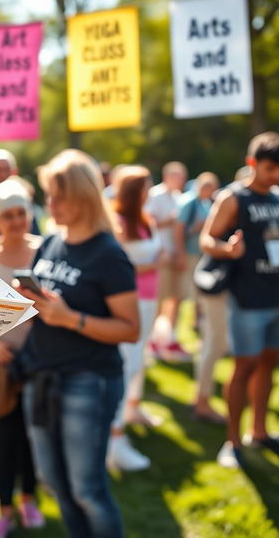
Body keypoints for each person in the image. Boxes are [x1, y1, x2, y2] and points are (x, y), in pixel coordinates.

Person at [17, 150, 139, 538]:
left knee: (88, 490)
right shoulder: (50, 242)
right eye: (48, 194)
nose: (49, 204)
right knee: (55, 483)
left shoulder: (108, 254)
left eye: (58, 196)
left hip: (88, 381)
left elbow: (130, 329)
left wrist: (72, 319)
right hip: (41, 374)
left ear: (84, 195)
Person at [200, 132, 279, 468]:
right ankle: (232, 441)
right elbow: (206, 239)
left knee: (269, 364)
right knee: (243, 366)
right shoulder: (234, 198)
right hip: (246, 298)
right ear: (252, 164)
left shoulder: (277, 198)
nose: (275, 175)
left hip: (275, 295)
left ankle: (258, 431)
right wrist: (227, 249)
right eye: (269, 168)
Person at [0, 179, 44, 538]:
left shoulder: (46, 249)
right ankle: (4, 510)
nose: (16, 221)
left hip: (41, 360)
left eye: (21, 213)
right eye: (8, 216)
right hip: (2, 363)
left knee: (35, 434)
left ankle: (30, 499)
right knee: (7, 437)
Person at [108, 165, 164, 472]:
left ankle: (132, 408)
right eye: (145, 186)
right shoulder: (117, 224)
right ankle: (115, 436)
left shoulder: (146, 220)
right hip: (130, 302)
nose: (150, 191)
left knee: (139, 358)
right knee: (127, 361)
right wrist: (153, 264)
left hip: (149, 298)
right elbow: (120, 269)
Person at [176, 172, 228, 424]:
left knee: (215, 340)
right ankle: (202, 401)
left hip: (214, 275)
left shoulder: (209, 204)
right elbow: (184, 230)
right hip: (204, 268)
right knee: (214, 341)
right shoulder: (191, 203)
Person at [147, 161, 191, 361]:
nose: (181, 180)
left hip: (177, 253)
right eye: (178, 176)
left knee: (176, 297)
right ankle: (152, 340)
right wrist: (170, 221)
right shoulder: (155, 195)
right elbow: (148, 223)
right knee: (159, 297)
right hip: (162, 254)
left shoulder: (180, 197)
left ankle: (169, 337)